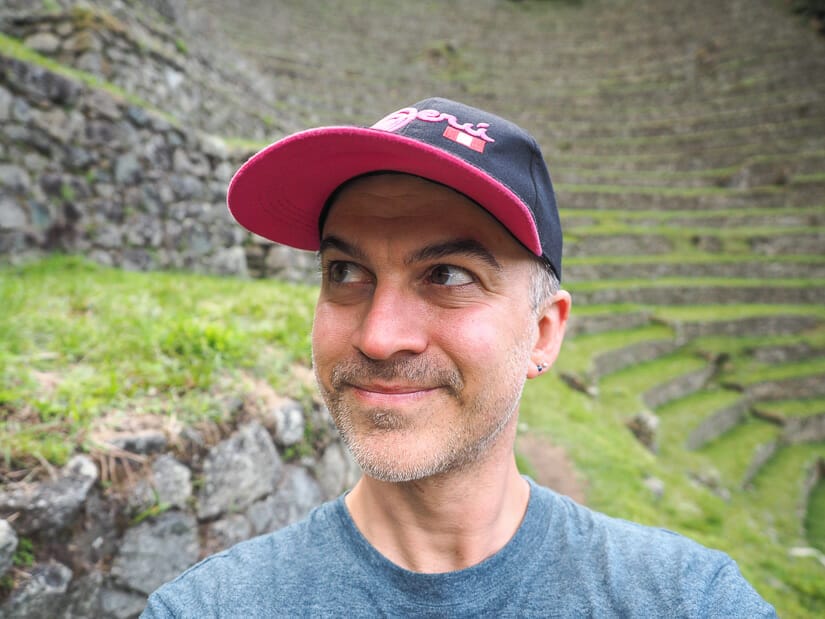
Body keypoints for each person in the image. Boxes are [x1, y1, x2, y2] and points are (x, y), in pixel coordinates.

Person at [142, 97, 776, 617]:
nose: (379, 337)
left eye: (446, 275)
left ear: (544, 333)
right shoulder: (209, 607)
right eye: (345, 270)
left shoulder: (687, 599)